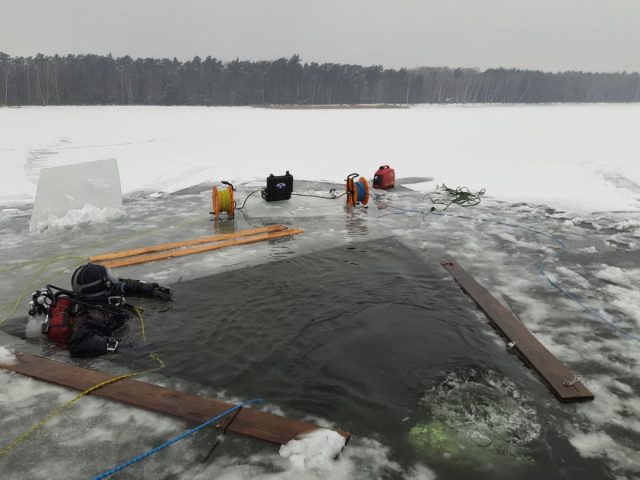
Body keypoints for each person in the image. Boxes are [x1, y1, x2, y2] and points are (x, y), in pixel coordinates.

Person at [28, 263, 172, 357]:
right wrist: (118, 345)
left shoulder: (97, 293)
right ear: (100, 285)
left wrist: (152, 289)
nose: (113, 280)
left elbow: (123, 284)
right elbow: (79, 344)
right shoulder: (93, 314)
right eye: (108, 277)